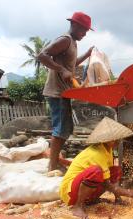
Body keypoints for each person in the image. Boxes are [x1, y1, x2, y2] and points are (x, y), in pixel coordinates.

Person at [59, 117, 133, 219]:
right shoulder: (96, 153)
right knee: (96, 172)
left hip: (82, 188)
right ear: (108, 140)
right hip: (71, 193)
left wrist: (119, 194)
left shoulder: (108, 150)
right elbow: (107, 185)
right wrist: (130, 193)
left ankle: (114, 199)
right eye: (116, 139)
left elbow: (111, 175)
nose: (118, 141)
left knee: (115, 170)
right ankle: (77, 206)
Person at [37, 12, 94, 171]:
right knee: (60, 129)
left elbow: (72, 64)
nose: (84, 34)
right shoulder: (65, 39)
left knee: (66, 129)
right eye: (83, 30)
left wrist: (87, 54)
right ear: (75, 25)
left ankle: (54, 163)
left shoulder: (73, 43)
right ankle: (52, 166)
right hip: (56, 92)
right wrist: (61, 69)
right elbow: (41, 55)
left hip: (64, 92)